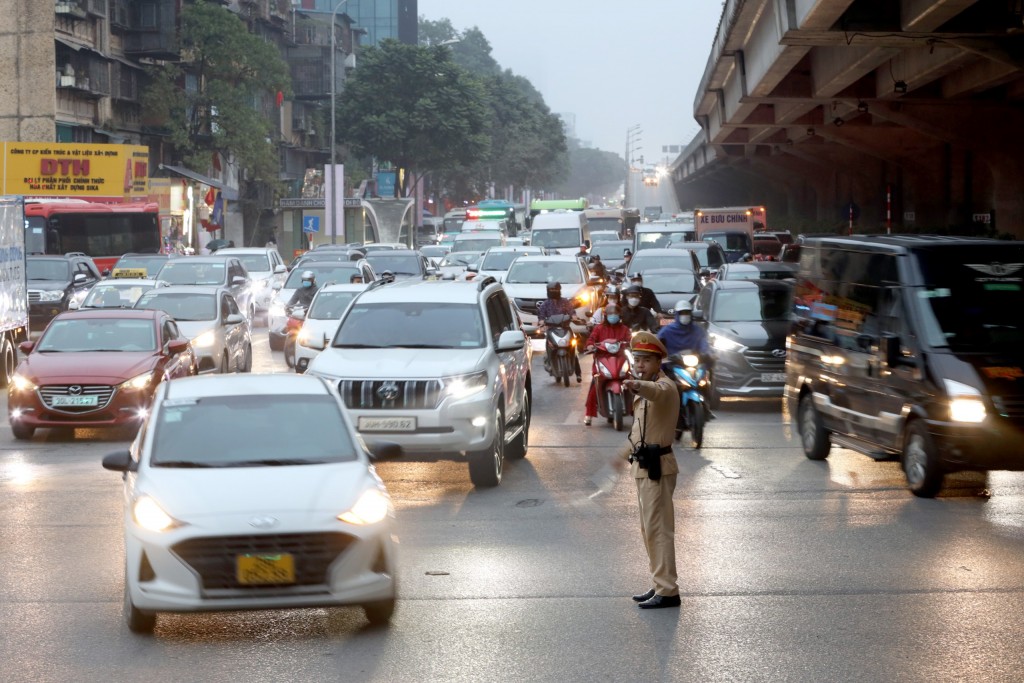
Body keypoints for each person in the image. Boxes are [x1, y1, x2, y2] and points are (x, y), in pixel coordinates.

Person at [615, 331, 681, 609]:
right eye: (637, 360)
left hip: (659, 467)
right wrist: (620, 456)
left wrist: (637, 385)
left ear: (657, 362)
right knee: (649, 529)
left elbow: (656, 392)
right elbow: (637, 432)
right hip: (643, 467)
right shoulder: (644, 391)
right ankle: (659, 583)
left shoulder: (664, 387)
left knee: (659, 530)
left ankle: (668, 590)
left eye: (645, 360)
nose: (639, 365)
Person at [658, 299, 715, 419]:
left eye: (687, 313)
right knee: (664, 382)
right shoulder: (667, 331)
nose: (685, 315)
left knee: (706, 381)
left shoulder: (697, 331)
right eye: (682, 313)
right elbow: (658, 344)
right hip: (673, 364)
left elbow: (704, 344)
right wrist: (662, 355)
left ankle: (706, 407)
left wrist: (707, 353)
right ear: (677, 315)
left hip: (694, 364)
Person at [583, 304, 631, 425]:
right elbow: (591, 339)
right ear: (605, 316)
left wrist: (632, 344)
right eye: (610, 314)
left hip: (620, 359)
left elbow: (630, 340)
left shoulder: (624, 329)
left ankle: (636, 409)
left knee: (632, 381)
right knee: (595, 385)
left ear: (619, 315)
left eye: (615, 314)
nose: (613, 316)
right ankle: (589, 413)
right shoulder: (599, 328)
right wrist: (590, 345)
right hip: (602, 359)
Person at [537, 282, 581, 382]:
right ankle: (549, 363)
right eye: (551, 290)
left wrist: (574, 316)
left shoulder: (565, 302)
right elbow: (541, 316)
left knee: (573, 349)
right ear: (548, 291)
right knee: (549, 347)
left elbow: (571, 311)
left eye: (555, 289)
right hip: (551, 330)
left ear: (559, 290)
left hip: (565, 329)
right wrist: (541, 322)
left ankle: (578, 374)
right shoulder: (545, 304)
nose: (554, 291)